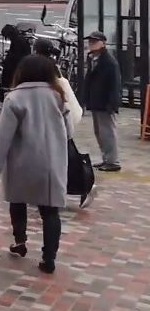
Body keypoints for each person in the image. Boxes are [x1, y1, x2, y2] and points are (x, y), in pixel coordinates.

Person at [0, 54, 70, 274]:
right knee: (50, 211)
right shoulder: (58, 96)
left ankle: (20, 242)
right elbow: (69, 130)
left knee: (18, 201)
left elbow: (3, 136)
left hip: (22, 162)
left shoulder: (15, 98)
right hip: (52, 162)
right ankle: (49, 258)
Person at [33, 38, 92, 208]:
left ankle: (79, 187)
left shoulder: (42, 68)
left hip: (53, 122)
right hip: (59, 122)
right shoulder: (53, 67)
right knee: (60, 160)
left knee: (56, 162)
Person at [81, 30, 122, 173]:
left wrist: (112, 104)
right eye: (90, 41)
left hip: (105, 103)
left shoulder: (109, 62)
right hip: (96, 101)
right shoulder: (92, 58)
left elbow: (115, 84)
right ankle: (106, 159)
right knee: (99, 132)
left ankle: (112, 161)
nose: (91, 44)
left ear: (102, 43)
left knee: (107, 132)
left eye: (94, 41)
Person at [0, 25, 32, 100]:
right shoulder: (20, 39)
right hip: (21, 63)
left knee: (9, 79)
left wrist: (6, 61)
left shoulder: (17, 41)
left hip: (16, 65)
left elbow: (15, 55)